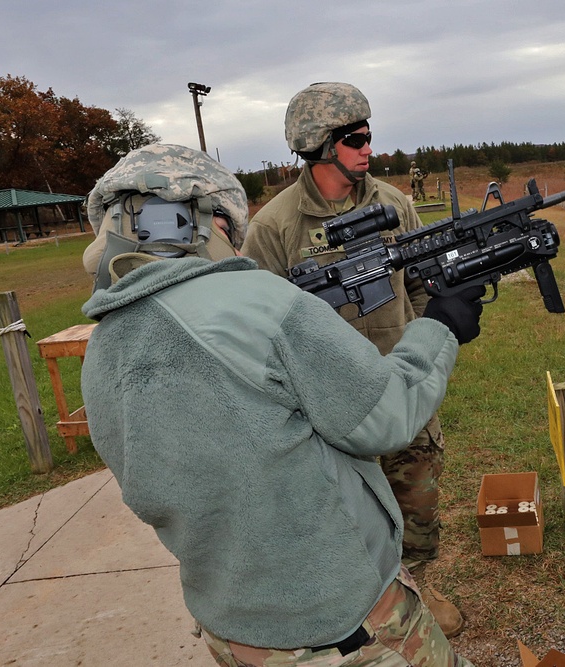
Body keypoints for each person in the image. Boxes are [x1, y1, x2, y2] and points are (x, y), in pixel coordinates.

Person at [79, 143, 482, 667]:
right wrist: (440, 326)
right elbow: (387, 417)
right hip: (341, 623)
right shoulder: (262, 301)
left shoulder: (103, 348)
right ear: (208, 223)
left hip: (231, 627)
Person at [241, 82, 464, 636]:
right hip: (327, 406)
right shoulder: (274, 227)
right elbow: (258, 328)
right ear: (318, 145)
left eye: (369, 134)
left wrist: (423, 345)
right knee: (342, 517)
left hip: (399, 387)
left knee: (417, 505)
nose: (368, 146)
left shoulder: (395, 204)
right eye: (355, 137)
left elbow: (420, 284)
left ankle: (415, 593)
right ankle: (359, 610)